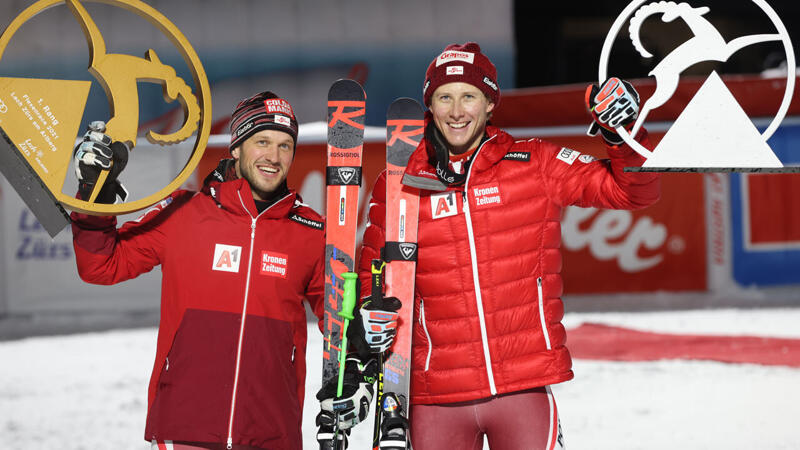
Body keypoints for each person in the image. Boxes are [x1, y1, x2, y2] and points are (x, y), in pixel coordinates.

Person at [358, 42, 660, 450]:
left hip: (522, 388)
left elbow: (631, 193)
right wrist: (368, 315)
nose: (457, 110)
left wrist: (621, 134)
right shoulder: (400, 184)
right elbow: (373, 274)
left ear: (490, 104)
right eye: (444, 98)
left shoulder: (534, 164)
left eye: (469, 96)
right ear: (430, 106)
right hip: (436, 396)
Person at [72, 91, 349, 450]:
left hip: (271, 430)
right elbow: (100, 266)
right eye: (262, 141)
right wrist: (95, 194)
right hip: (188, 425)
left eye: (285, 145)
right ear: (236, 147)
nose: (274, 156)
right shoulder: (183, 214)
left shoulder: (311, 232)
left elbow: (339, 320)